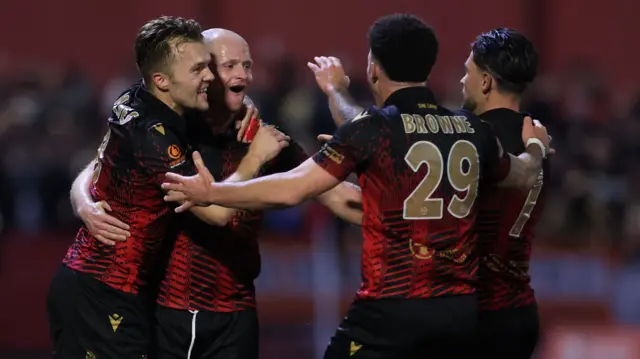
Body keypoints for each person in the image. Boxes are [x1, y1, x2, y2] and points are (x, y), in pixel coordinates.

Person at [161, 14, 551, 358]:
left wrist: (213, 190)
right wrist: (536, 146)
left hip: (392, 306)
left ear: (373, 68)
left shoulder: (371, 130)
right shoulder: (473, 131)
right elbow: (524, 173)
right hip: (463, 311)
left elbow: (295, 188)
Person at [70, 28, 363, 359]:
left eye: (248, 65)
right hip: (170, 312)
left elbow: (338, 197)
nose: (244, 75)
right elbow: (98, 166)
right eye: (230, 65)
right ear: (202, 73)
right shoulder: (172, 132)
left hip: (238, 314)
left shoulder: (266, 140)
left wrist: (404, 211)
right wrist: (84, 204)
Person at [46, 16, 217, 359]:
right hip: (105, 293)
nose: (210, 77)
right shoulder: (155, 136)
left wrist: (83, 202)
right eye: (198, 69)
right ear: (162, 80)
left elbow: (95, 166)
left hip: (99, 286)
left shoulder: (133, 98)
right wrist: (257, 157)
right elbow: (218, 213)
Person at [460, 28, 545, 358]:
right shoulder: (536, 138)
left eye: (466, 72)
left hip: (475, 316)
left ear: (485, 81)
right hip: (521, 312)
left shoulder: (468, 140)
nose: (461, 82)